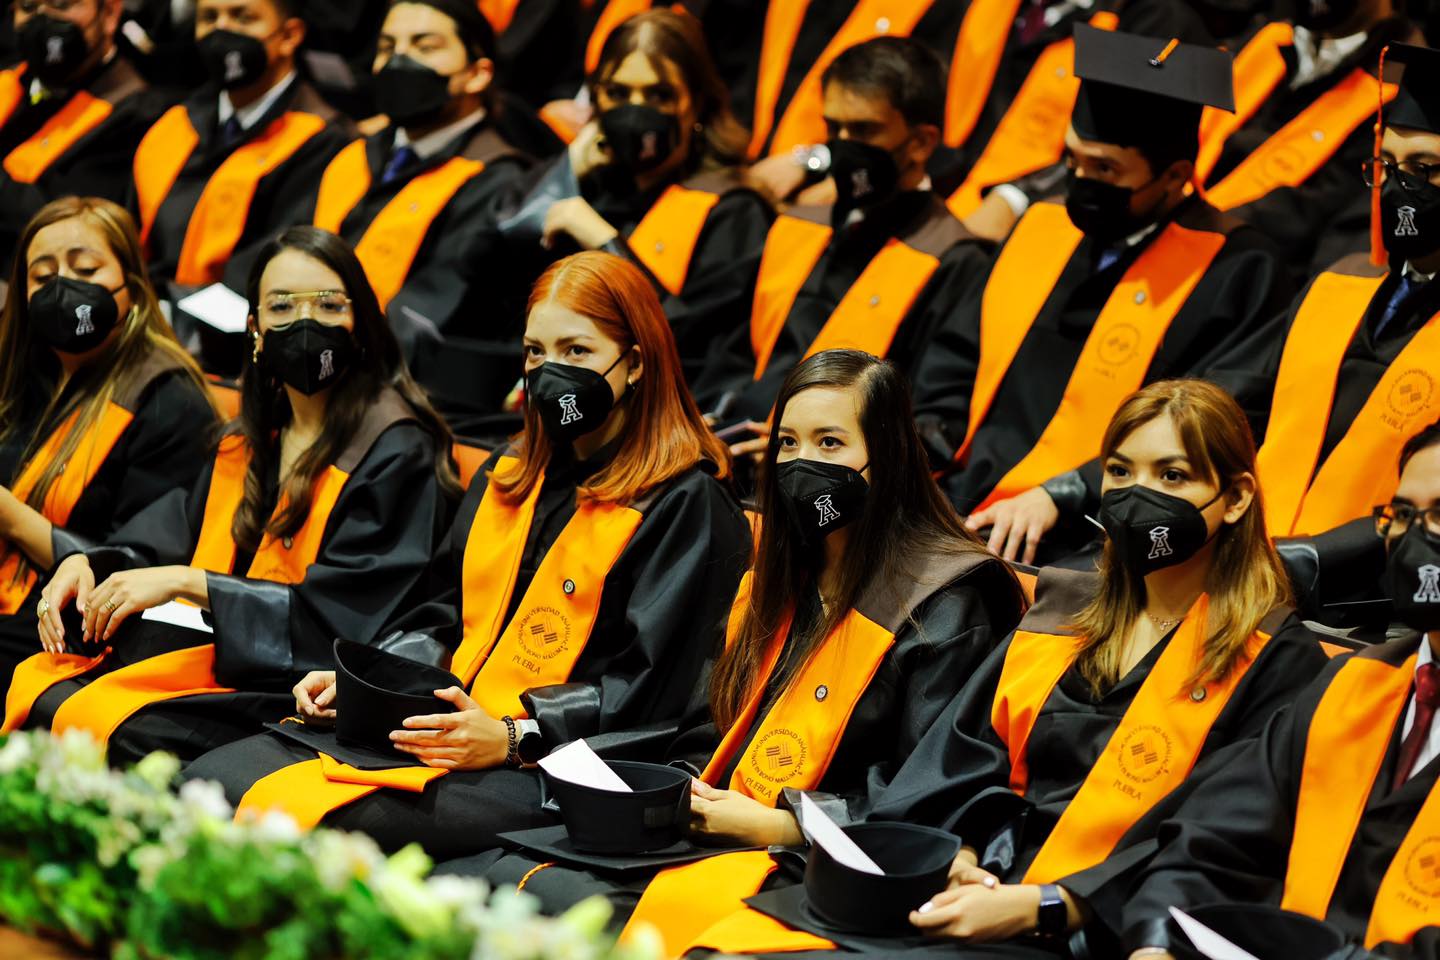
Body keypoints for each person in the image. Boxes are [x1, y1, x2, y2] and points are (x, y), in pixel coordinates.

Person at [685, 378, 1330, 958]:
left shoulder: (1275, 657)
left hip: (1109, 925)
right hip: (972, 887)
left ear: (1238, 498)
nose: (1140, 496)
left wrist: (1045, 905)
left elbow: (1215, 838)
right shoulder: (1064, 610)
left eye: (1172, 477)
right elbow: (958, 758)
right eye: (1121, 472)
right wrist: (961, 854)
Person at [182, 251, 751, 858]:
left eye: (577, 352)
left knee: (316, 825)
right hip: (448, 734)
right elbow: (440, 615)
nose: (551, 371)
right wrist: (371, 685)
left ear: (634, 363)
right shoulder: (510, 475)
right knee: (210, 780)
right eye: (536, 352)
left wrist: (515, 736)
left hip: (557, 770)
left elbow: (655, 695)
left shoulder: (689, 505)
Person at [467, 349, 1028, 957]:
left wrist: (785, 825)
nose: (804, 463)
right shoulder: (783, 573)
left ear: (888, 456)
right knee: (499, 879)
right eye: (788, 443)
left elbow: (926, 794)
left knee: (551, 906)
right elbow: (708, 729)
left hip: (824, 863)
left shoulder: (948, 602)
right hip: (722, 825)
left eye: (831, 443)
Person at [3, 226, 458, 766]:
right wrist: (87, 563)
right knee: (43, 685)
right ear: (256, 329)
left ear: (360, 323)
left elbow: (343, 622)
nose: (305, 323)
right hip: (227, 657)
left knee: (117, 728)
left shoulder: (397, 449)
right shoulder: (250, 437)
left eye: (329, 304)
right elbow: (163, 542)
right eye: (281, 306)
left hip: (302, 685)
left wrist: (190, 583)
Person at [1034, 40, 1440, 551]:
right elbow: (1217, 407)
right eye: (1388, 166)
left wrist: (1313, 560)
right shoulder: (1340, 289)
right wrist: (1075, 488)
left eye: (1425, 170)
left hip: (1377, 605)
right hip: (1248, 565)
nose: (1402, 187)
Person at [913, 26, 1291, 564]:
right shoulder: (1039, 228)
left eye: (1106, 169)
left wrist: (1066, 493)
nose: (1081, 182)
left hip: (1101, 533)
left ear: (1175, 176)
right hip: (960, 499)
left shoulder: (1238, 267)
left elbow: (1206, 426)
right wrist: (911, 454)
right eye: (1073, 162)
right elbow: (951, 365)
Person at [1114, 420, 1440, 959]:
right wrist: (1155, 942)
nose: (1416, 536)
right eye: (1403, 515)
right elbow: (1208, 842)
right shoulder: (1350, 685)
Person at [693, 36, 992, 444]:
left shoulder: (956, 259)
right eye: (834, 128)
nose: (843, 146)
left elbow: (934, 423)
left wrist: (815, 453)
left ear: (921, 142)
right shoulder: (797, 223)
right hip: (733, 450)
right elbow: (732, 352)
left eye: (864, 130)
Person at [0, 197, 217, 692]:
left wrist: (12, 517)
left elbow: (133, 563)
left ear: (133, 288)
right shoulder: (23, 371)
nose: (62, 287)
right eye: (42, 275)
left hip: (75, 633)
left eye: (85, 268)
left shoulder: (171, 399)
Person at [497, 8, 772, 384]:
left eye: (659, 95)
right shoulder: (587, 183)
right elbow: (481, 258)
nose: (636, 110)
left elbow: (691, 342)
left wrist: (603, 239)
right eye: (617, 93)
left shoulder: (733, 209)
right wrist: (567, 166)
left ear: (699, 103)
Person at [307, 0, 536, 432]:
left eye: (424, 46)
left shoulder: (502, 183)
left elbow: (434, 318)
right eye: (388, 46)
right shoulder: (352, 153)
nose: (400, 61)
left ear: (477, 73)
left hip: (404, 411)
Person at [129, 0, 353, 312]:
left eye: (243, 17)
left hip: (234, 331)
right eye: (209, 17)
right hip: (147, 312)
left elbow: (277, 259)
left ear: (289, 35)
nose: (222, 29)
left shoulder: (326, 140)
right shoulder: (174, 124)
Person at [0, 0, 176, 267]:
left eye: (61, 4)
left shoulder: (141, 112)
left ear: (109, 13)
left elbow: (67, 223)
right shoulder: (8, 81)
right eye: (28, 6)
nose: (43, 18)